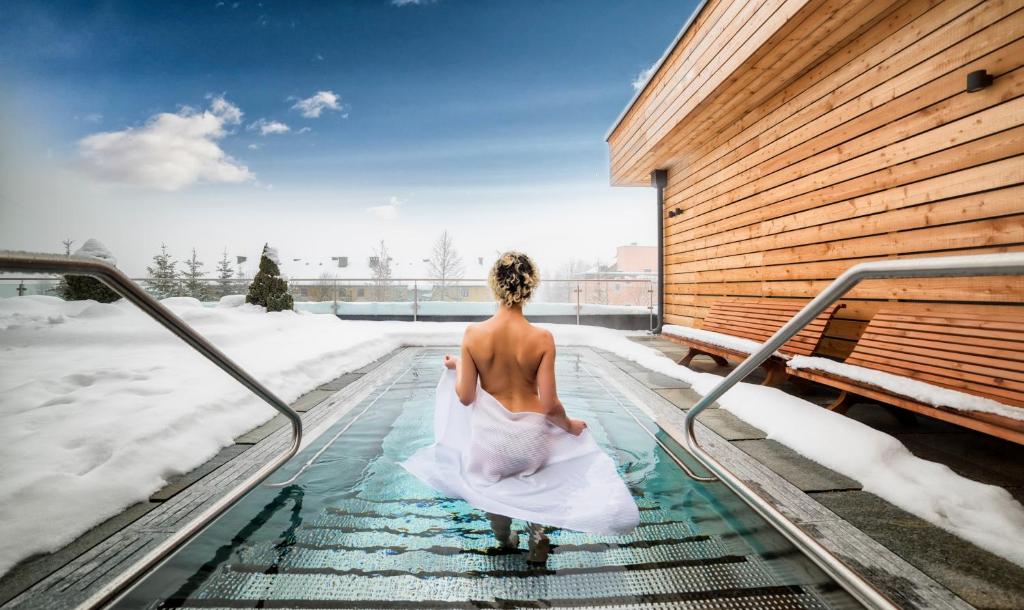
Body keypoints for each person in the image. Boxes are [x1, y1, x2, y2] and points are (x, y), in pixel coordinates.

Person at [401, 251, 639, 564]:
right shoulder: (541, 338)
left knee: (493, 493)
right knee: (540, 486)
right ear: (530, 287)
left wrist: (457, 366)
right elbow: (551, 405)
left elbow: (466, 397)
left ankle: (504, 538)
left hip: (491, 444)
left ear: (494, 286)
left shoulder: (474, 335)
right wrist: (572, 426)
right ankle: (537, 533)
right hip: (532, 439)